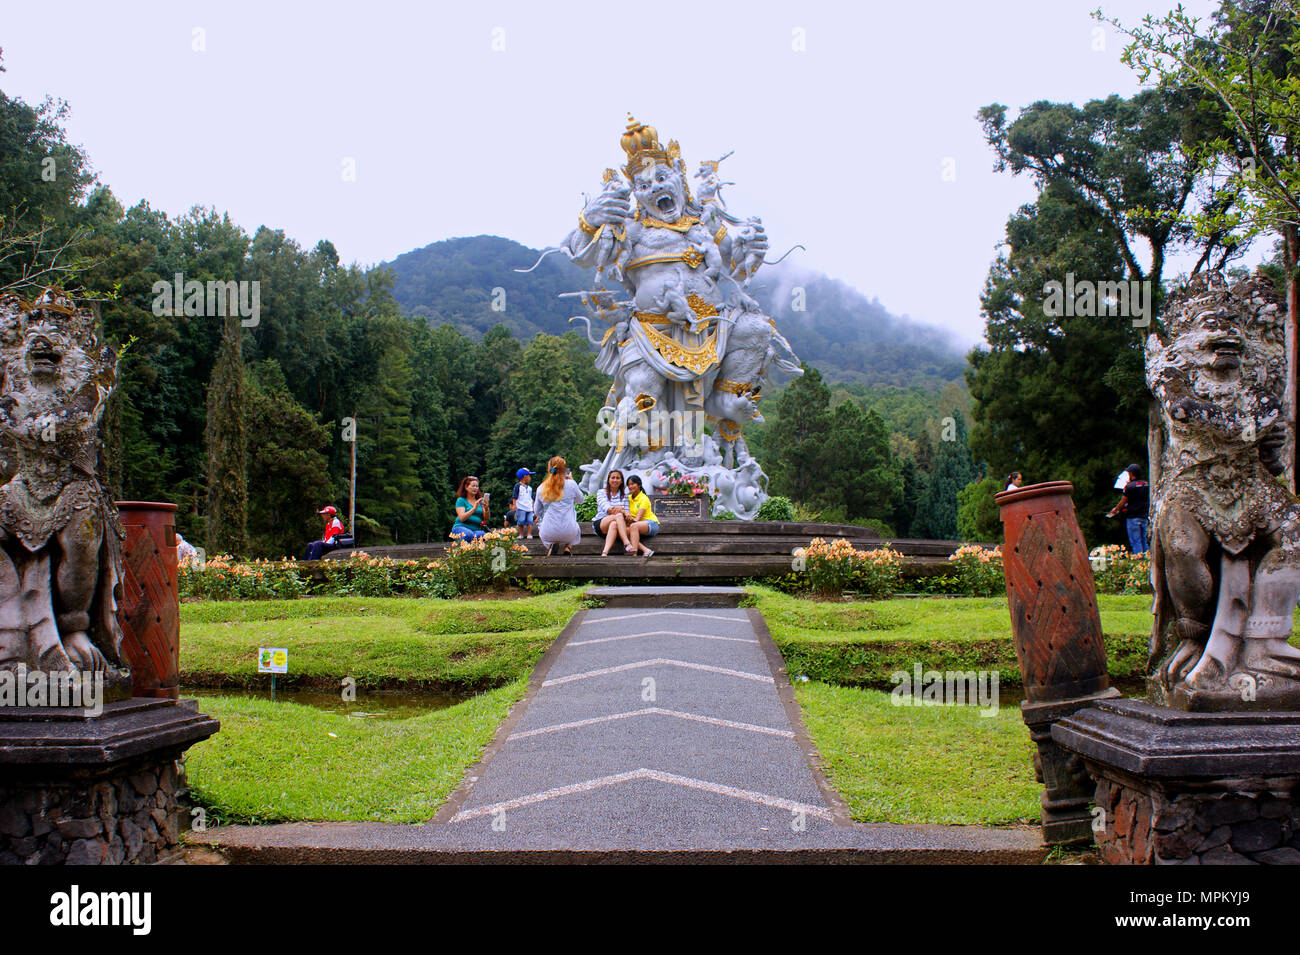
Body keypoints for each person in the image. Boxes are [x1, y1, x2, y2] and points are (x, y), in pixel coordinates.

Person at [537, 455, 583, 556]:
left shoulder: (541, 487)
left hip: (548, 532)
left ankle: (551, 545)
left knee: (541, 525)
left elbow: (537, 511)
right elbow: (580, 500)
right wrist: (572, 480)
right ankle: (568, 547)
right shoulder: (571, 484)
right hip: (569, 531)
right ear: (565, 470)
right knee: (576, 526)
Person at [1107, 463, 1149, 554]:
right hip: (1144, 515)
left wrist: (1115, 510)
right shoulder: (1146, 484)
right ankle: (1147, 561)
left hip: (1133, 516)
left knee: (1136, 541)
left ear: (1131, 474)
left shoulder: (1129, 486)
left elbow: (1123, 501)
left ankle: (1139, 562)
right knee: (1145, 541)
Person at [594, 469, 632, 557]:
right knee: (618, 515)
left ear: (621, 481)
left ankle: (605, 552)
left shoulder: (625, 496)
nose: (615, 480)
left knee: (614, 524)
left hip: (617, 525)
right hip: (601, 523)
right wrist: (622, 510)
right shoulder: (601, 493)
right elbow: (608, 509)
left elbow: (627, 515)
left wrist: (625, 513)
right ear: (608, 480)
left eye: (618, 478)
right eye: (613, 478)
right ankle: (626, 543)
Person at [624, 474, 658, 557]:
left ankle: (634, 554)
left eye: (632, 484)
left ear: (639, 485)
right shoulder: (628, 498)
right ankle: (646, 550)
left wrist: (629, 520)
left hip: (650, 524)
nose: (630, 486)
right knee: (623, 532)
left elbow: (637, 519)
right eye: (628, 485)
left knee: (633, 526)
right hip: (635, 525)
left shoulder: (644, 498)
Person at [450, 476, 490, 540]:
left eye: (477, 486)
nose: (475, 488)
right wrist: (474, 508)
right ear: (466, 487)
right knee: (469, 534)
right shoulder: (461, 500)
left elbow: (486, 518)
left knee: (483, 535)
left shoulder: (479, 501)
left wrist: (486, 508)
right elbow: (462, 518)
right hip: (460, 528)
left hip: (475, 530)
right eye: (473, 486)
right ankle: (462, 548)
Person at [511, 468, 536, 540]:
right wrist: (514, 505)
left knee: (530, 521)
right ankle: (521, 534)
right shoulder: (518, 486)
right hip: (521, 507)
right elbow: (514, 496)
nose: (530, 478)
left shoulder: (530, 488)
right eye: (529, 476)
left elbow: (532, 498)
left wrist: (533, 506)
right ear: (525, 476)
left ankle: (529, 534)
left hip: (529, 507)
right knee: (521, 521)